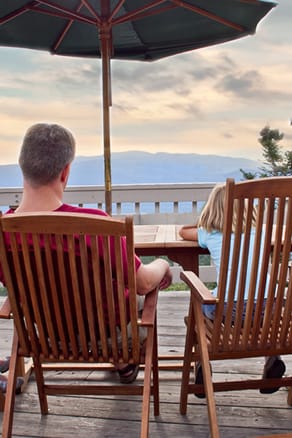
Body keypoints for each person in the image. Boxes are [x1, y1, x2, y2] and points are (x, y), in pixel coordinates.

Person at [0, 123, 172, 384]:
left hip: (46, 335)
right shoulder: (94, 225)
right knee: (136, 297)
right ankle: (123, 359)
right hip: (108, 335)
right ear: (65, 172)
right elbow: (143, 283)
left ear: (23, 166)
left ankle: (122, 363)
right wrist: (162, 264)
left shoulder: (4, 234)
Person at [179, 182, 285, 396]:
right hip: (269, 308)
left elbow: (183, 232)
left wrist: (203, 221)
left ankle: (202, 364)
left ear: (213, 210)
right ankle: (273, 358)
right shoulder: (262, 232)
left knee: (200, 307)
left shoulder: (210, 234)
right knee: (260, 311)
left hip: (229, 312)